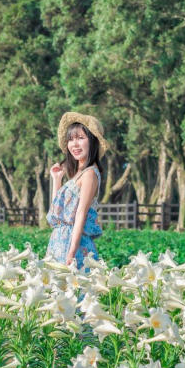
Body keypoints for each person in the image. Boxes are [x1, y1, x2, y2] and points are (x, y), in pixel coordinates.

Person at [46, 112, 108, 272]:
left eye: (80, 138)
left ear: (92, 141)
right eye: (71, 139)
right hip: (59, 240)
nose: (74, 144)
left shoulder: (90, 174)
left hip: (73, 244)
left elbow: (80, 214)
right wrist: (57, 179)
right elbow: (57, 214)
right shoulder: (78, 175)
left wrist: (71, 252)